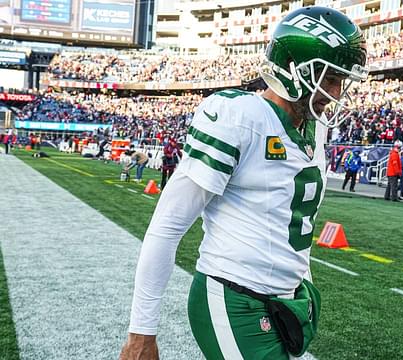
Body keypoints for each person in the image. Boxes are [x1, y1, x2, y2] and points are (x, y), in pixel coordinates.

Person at [119, 6, 368, 360]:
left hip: (287, 301)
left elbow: (290, 220)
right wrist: (141, 333)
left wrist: (302, 281)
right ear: (296, 70)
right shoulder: (239, 117)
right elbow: (167, 226)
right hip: (234, 297)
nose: (337, 91)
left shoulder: (318, 127)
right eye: (330, 78)